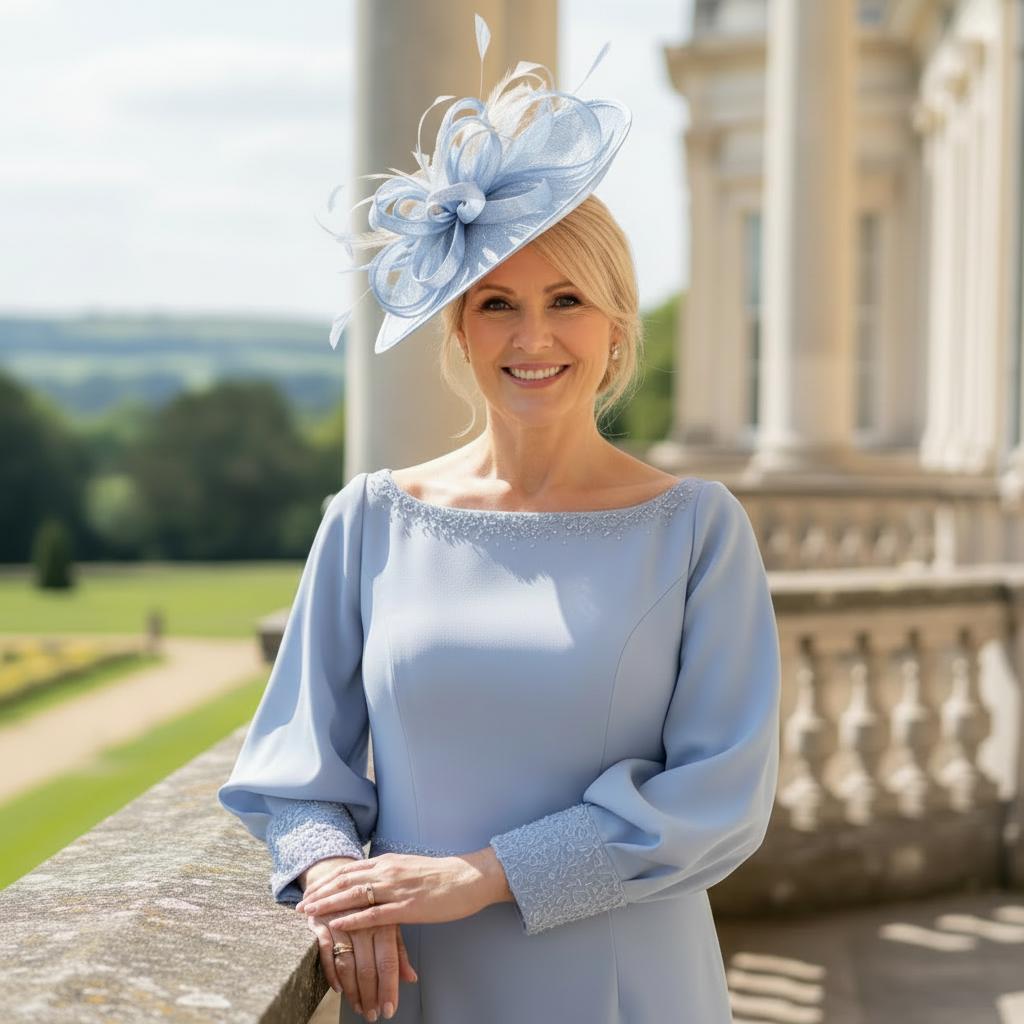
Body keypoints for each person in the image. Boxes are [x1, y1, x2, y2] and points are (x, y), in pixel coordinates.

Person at [217, 14, 781, 1023]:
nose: (532, 337)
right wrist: (337, 884)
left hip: (629, 978)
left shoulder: (696, 530)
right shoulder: (369, 520)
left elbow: (721, 796)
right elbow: (293, 776)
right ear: (458, 329)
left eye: (567, 301)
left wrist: (477, 877)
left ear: (616, 327)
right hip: (422, 982)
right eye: (495, 303)